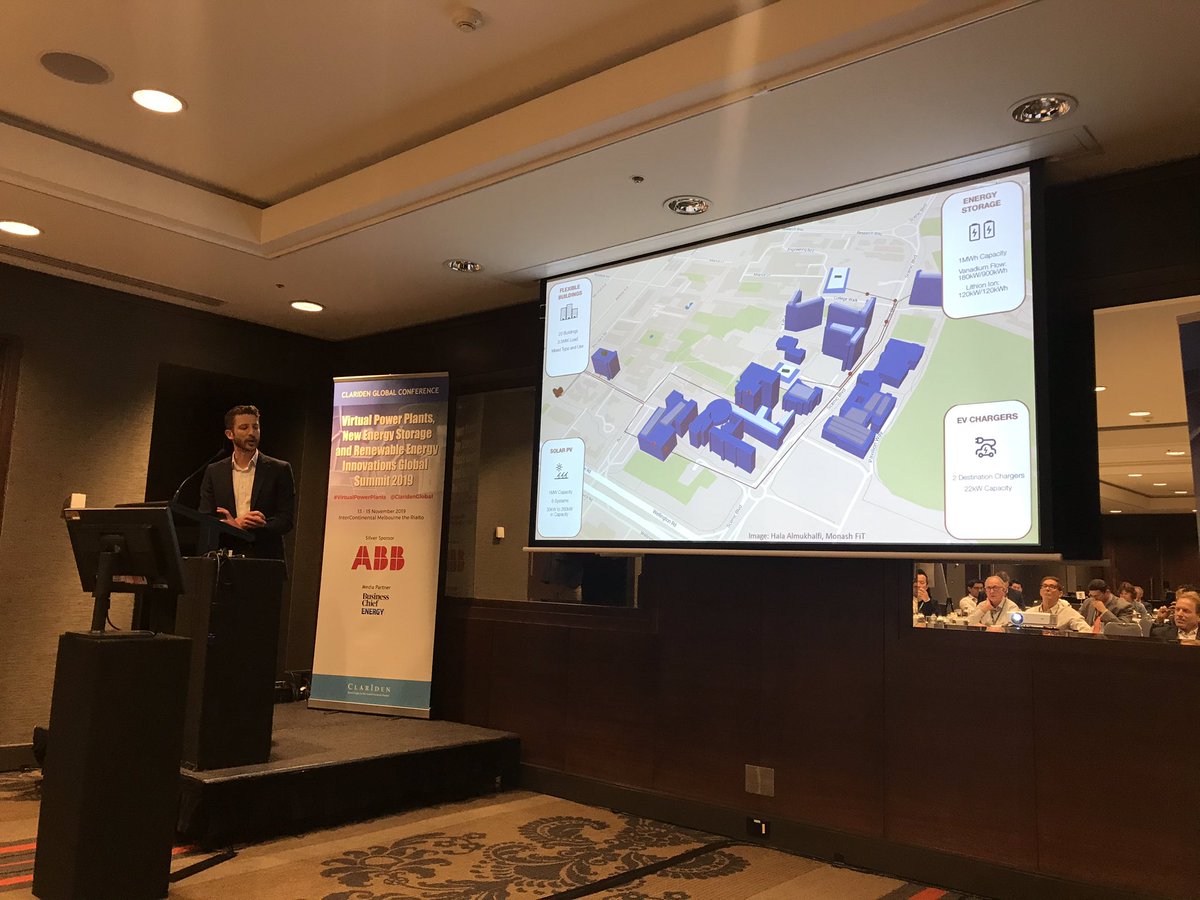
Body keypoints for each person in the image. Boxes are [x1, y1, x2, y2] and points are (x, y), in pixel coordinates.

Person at [199, 404, 295, 562]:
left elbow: (286, 520)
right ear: (230, 434)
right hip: (223, 559)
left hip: (265, 560)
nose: (252, 433)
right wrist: (233, 525)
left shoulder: (279, 469)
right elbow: (204, 518)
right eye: (244, 428)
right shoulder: (214, 471)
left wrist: (257, 525)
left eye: (255, 427)